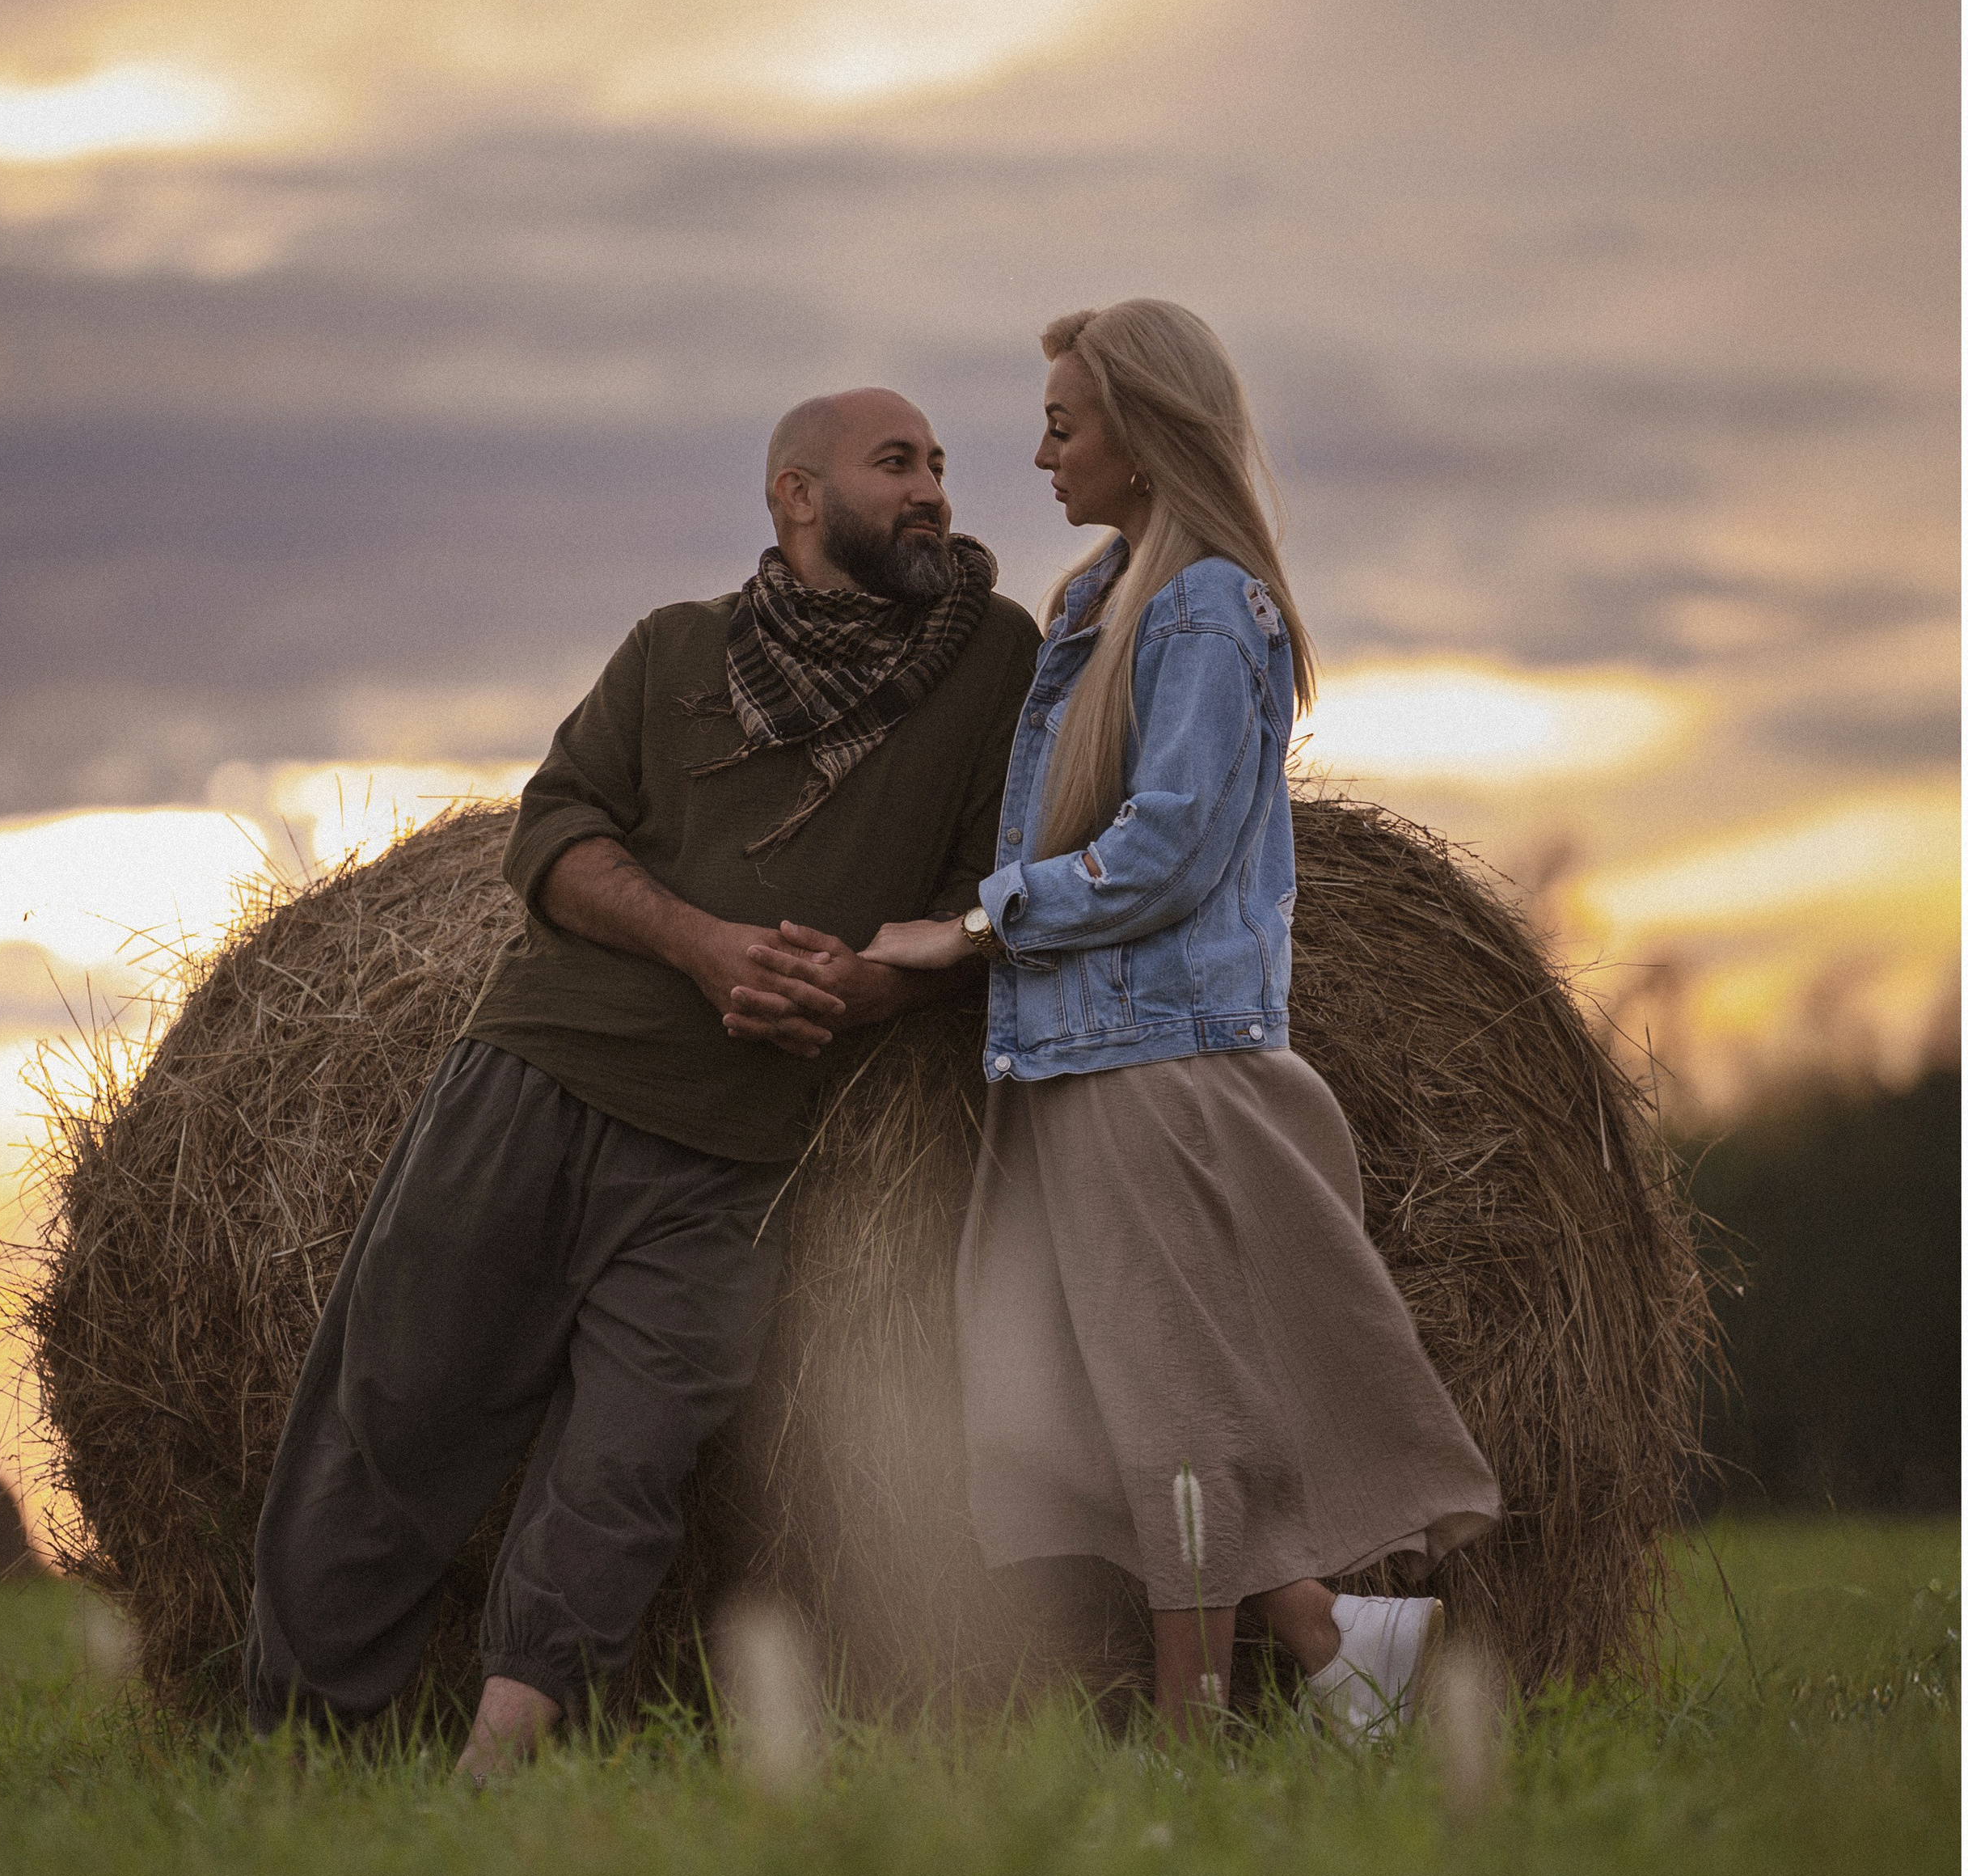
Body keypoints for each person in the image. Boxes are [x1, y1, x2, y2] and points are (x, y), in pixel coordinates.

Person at [244, 387, 1041, 1778]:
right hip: (535, 1079)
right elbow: (551, 831)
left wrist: (881, 985)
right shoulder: (676, 649)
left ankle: (499, 1771)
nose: (933, 492)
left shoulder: (992, 661)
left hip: (734, 1151)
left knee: (631, 1462)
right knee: (397, 1411)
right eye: (896, 464)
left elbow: (984, 889)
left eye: (939, 466)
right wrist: (702, 943)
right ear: (797, 494)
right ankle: (295, 1748)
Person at [866, 302, 1501, 1740]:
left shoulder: (1209, 607)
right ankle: (1333, 1635)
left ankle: (1192, 1739)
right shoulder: (1102, 602)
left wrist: (972, 924)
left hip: (1151, 1067)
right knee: (1078, 1409)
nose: (1036, 453)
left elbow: (1166, 852)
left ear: (1146, 439)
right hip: (1077, 1065)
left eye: (1063, 424)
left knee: (1172, 1421)